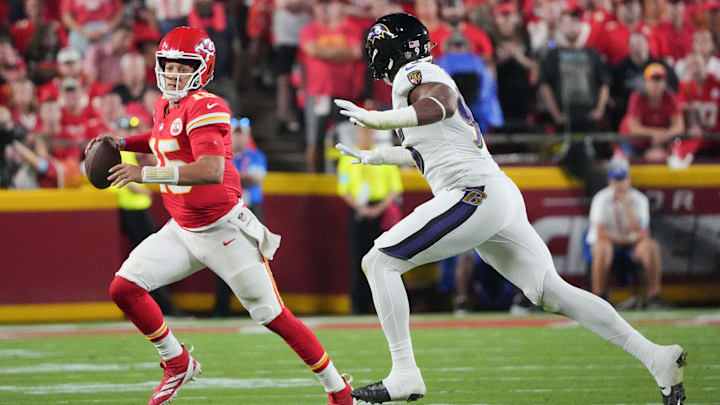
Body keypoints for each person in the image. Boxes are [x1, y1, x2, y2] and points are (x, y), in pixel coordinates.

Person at [334, 13, 686, 404]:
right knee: (552, 292)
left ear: (390, 52)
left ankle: (405, 374)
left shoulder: (413, 74)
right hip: (494, 194)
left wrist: (377, 119)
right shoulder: (416, 82)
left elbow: (444, 104)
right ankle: (656, 357)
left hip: (473, 193)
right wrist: (375, 158)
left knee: (380, 261)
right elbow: (425, 153)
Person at [84, 27, 354, 405]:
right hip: (183, 228)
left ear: (203, 69)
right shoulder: (166, 104)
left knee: (274, 317)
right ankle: (176, 361)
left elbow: (209, 169)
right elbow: (162, 136)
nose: (174, 75)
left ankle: (339, 391)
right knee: (124, 288)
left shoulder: (208, 106)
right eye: (169, 66)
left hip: (224, 232)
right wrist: (123, 143)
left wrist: (144, 172)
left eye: (184, 67)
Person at [337, 125, 403, 315]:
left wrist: (377, 209)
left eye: (369, 131)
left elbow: (394, 187)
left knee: (387, 257)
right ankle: (359, 305)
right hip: (359, 211)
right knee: (359, 258)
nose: (366, 135)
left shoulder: (383, 156)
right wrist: (362, 209)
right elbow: (343, 188)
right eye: (362, 131)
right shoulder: (348, 156)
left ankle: (387, 304)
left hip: (381, 211)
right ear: (357, 134)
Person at [586, 158, 667, 309]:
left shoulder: (639, 199)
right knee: (602, 246)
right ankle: (599, 296)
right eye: (616, 180)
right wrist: (629, 239)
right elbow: (601, 233)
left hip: (631, 246)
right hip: (611, 243)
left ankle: (654, 296)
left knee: (650, 247)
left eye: (622, 180)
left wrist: (626, 207)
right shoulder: (601, 199)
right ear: (610, 181)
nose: (620, 184)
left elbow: (643, 232)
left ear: (628, 180)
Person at [213, 117, 268, 317]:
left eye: (242, 134)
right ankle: (222, 307)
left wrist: (232, 176)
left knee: (257, 257)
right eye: (235, 134)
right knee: (225, 258)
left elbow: (256, 178)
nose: (239, 138)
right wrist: (240, 177)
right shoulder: (224, 157)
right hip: (229, 211)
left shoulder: (256, 155)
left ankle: (261, 304)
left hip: (252, 210)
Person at [620, 63, 684, 162]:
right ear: (645, 82)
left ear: (664, 83)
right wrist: (656, 133)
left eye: (659, 81)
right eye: (652, 81)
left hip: (661, 141)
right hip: (635, 141)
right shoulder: (637, 97)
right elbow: (633, 128)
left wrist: (665, 135)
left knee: (676, 155)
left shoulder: (670, 97)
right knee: (628, 160)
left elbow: (679, 126)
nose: (656, 85)